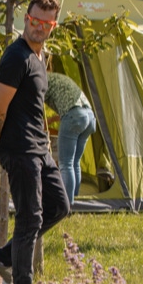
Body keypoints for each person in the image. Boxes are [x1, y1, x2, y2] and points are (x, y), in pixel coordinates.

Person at [0, 0, 70, 284]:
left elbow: (32, 105)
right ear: (25, 18)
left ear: (53, 26)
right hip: (19, 148)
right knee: (30, 218)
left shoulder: (39, 57)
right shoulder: (16, 57)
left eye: (45, 24)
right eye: (34, 20)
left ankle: (3, 259)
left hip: (39, 147)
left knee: (59, 206)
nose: (38, 27)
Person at [45, 72, 96, 205]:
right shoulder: (57, 78)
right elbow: (72, 104)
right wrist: (51, 120)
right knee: (75, 163)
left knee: (65, 163)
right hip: (89, 117)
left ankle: (66, 205)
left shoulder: (40, 80)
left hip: (74, 116)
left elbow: (34, 106)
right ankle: (74, 201)